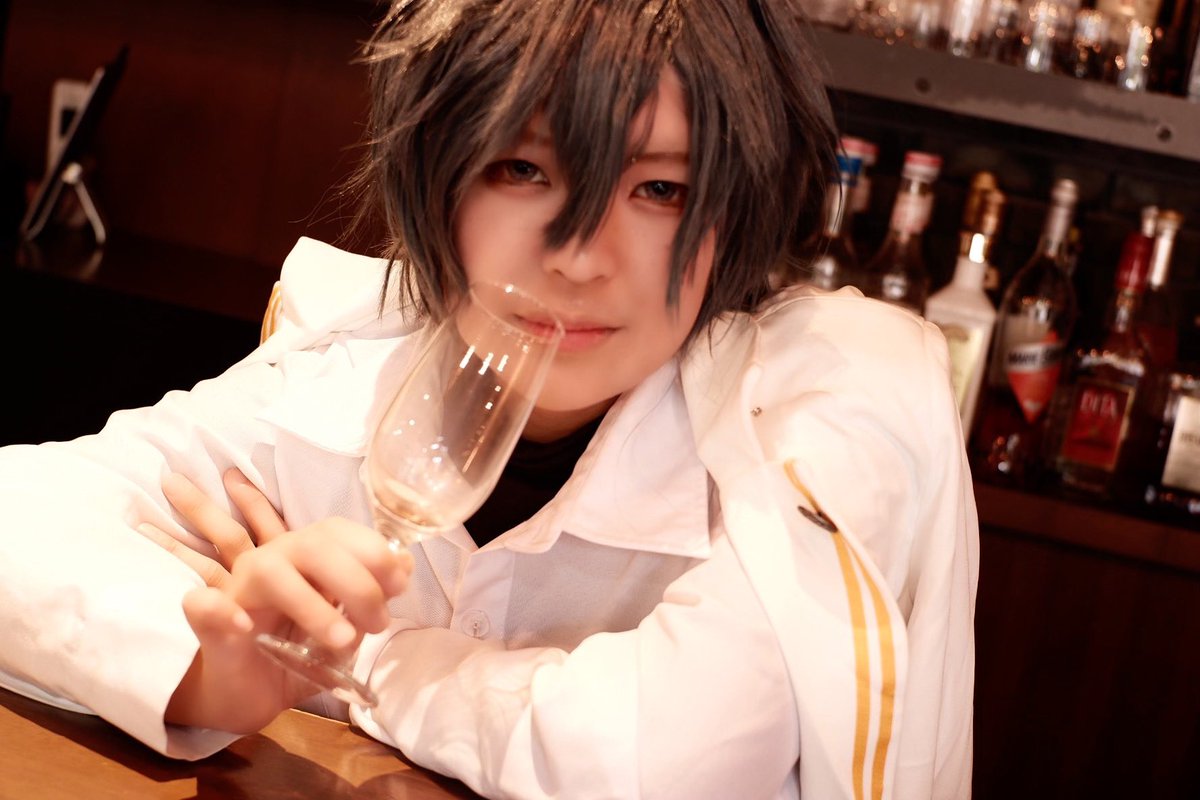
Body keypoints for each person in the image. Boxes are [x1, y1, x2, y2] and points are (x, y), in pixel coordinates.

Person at [0, 1, 978, 798]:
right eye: (524, 169)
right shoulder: (354, 363)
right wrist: (207, 673)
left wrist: (357, 660)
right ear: (437, 175)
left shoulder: (817, 416)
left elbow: (657, 762)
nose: (581, 257)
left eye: (662, 190)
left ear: (740, 211)